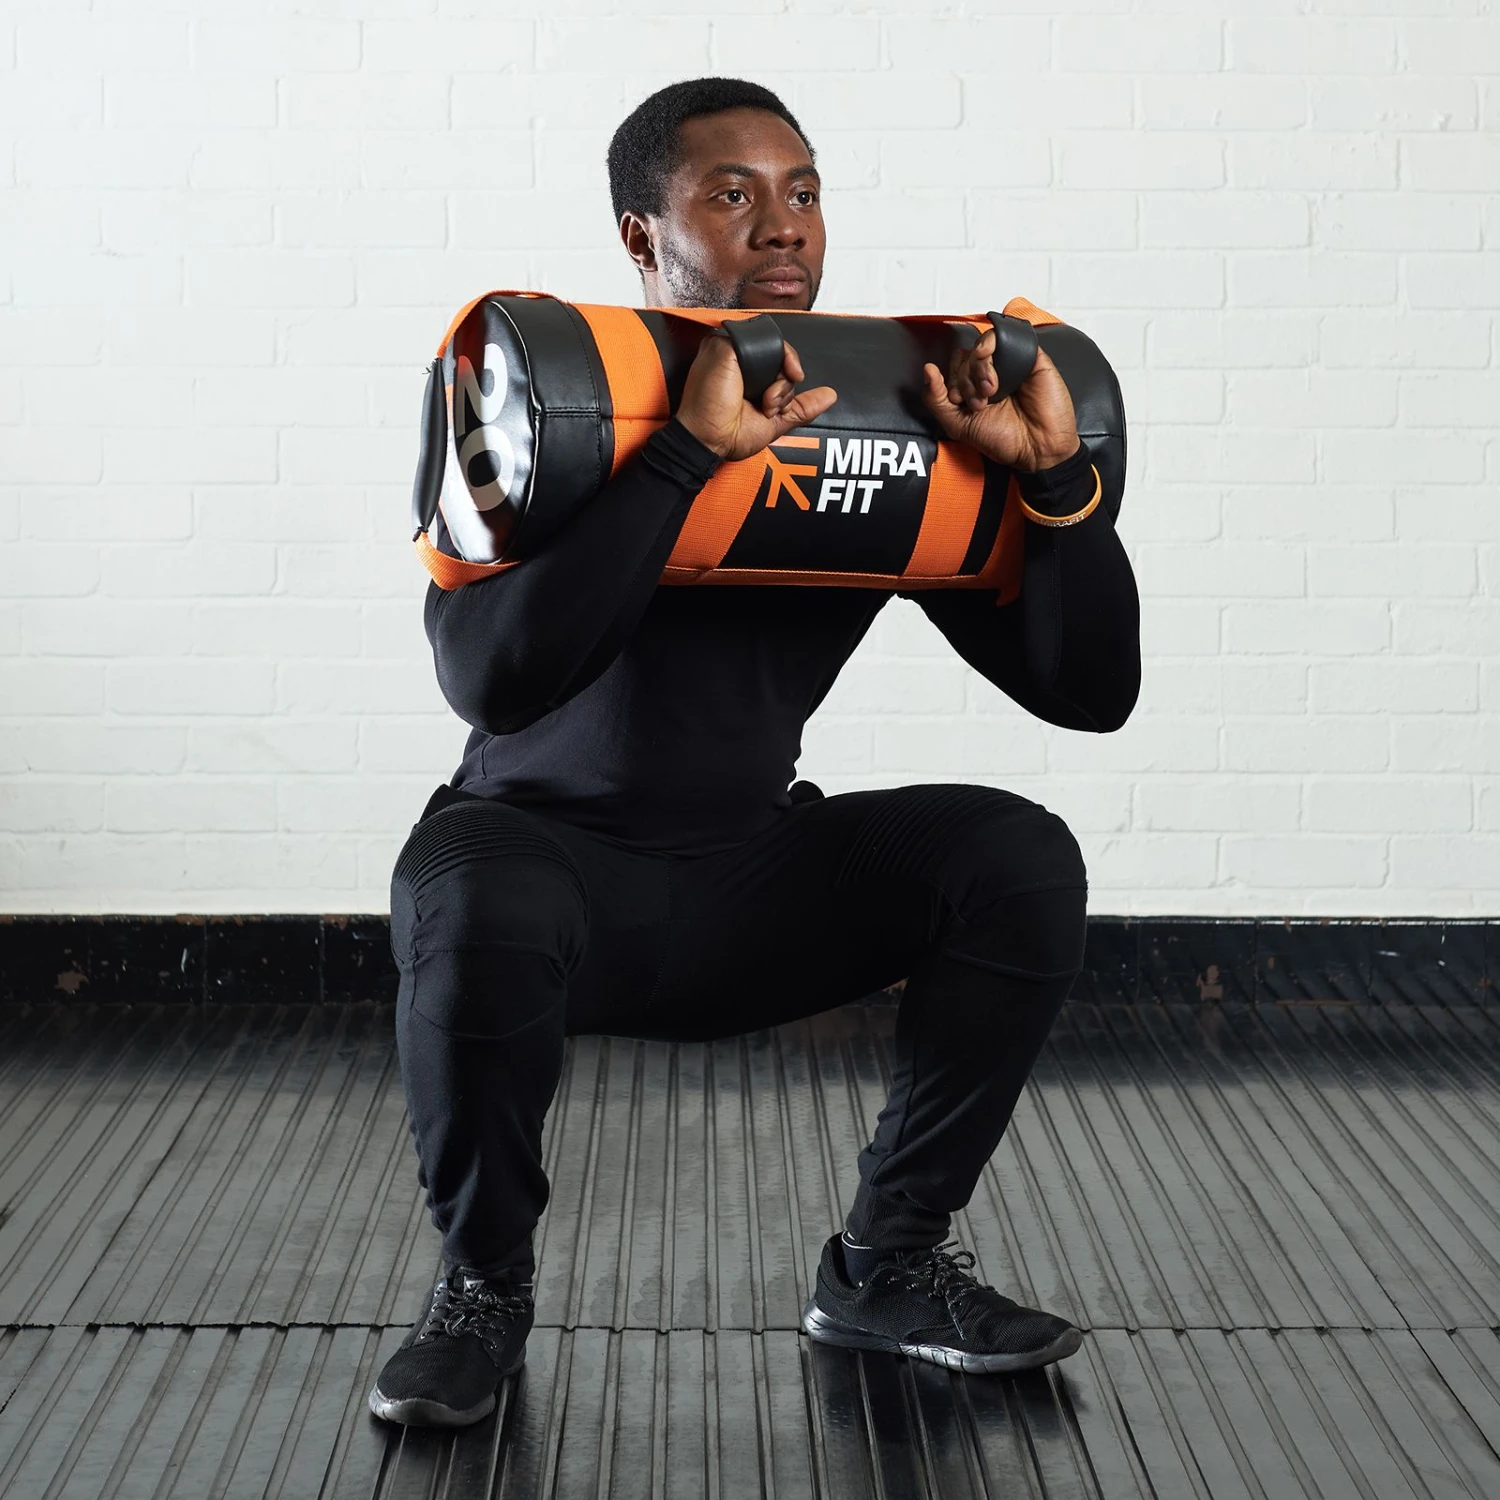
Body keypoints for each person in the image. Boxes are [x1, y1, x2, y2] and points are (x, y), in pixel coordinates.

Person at [369, 76, 1141, 1428]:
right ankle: (482, 1291)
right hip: (538, 871)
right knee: (480, 889)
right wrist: (682, 459)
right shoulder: (551, 413)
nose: (782, 224)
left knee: (1017, 857)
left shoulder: (875, 419)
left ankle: (889, 1265)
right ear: (642, 234)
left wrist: (1055, 488)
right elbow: (490, 679)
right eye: (732, 195)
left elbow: (1091, 693)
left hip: (747, 875)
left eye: (803, 192)